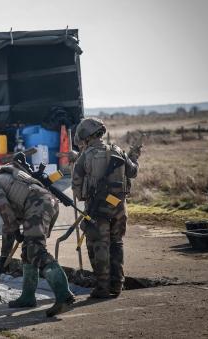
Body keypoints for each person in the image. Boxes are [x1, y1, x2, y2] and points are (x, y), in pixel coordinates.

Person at [0, 156, 75, 317]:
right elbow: (8, 223)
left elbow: (5, 211)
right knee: (28, 251)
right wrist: (5, 255)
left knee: (36, 250)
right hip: (45, 203)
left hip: (37, 205)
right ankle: (27, 297)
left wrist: (16, 231)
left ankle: (64, 295)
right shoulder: (4, 179)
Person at [71, 117, 140, 298]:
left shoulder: (84, 157)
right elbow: (133, 172)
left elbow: (78, 191)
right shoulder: (118, 151)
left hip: (97, 211)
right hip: (119, 207)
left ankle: (102, 288)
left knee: (98, 245)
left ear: (84, 136)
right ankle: (117, 285)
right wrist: (134, 156)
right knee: (116, 243)